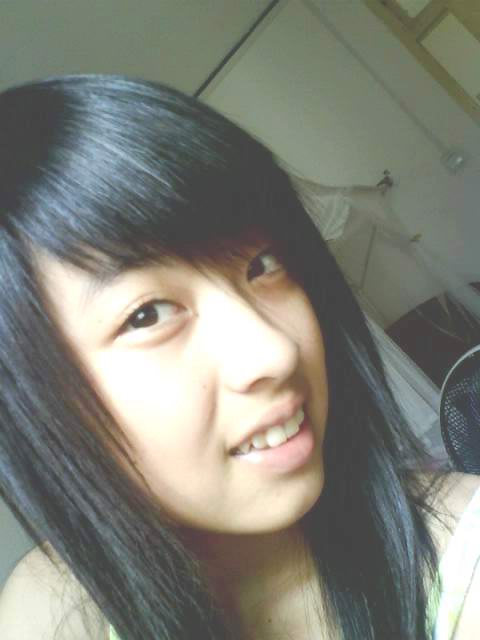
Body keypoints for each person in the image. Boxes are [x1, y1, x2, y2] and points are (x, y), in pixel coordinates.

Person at [0, 74, 478, 640]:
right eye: (147, 314)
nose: (275, 350)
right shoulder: (49, 613)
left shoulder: (462, 552)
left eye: (262, 265)